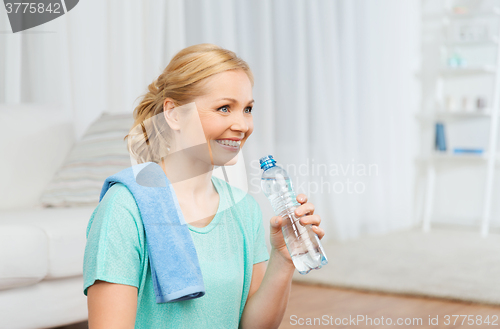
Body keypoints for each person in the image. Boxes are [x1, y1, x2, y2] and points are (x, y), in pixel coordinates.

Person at [83, 43, 325, 329]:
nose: (242, 125)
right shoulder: (124, 209)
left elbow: (254, 325)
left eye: (247, 109)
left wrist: (283, 260)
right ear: (173, 113)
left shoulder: (244, 209)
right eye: (224, 108)